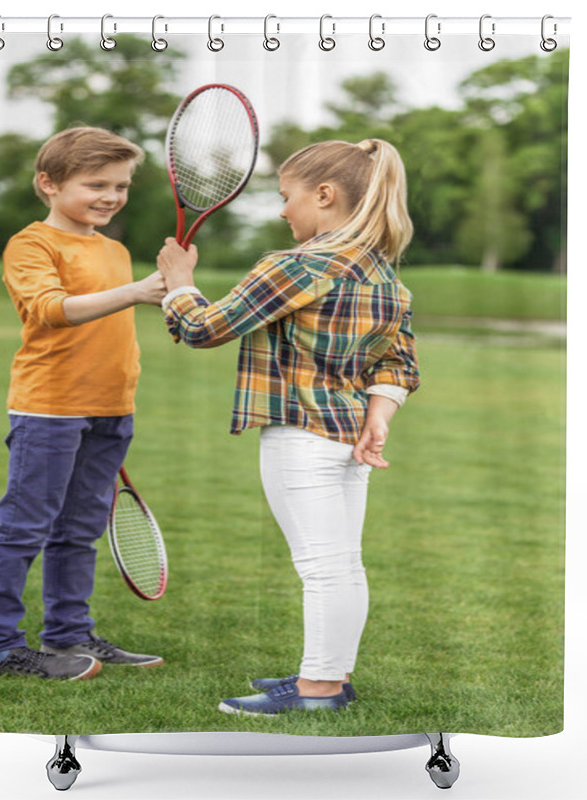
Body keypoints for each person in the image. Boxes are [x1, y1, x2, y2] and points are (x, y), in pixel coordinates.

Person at [157, 138, 421, 715]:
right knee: (343, 563)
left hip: (300, 440)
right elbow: (399, 363)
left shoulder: (294, 266)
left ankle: (319, 691)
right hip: (348, 439)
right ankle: (330, 676)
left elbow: (204, 328)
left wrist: (179, 282)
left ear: (324, 195)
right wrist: (378, 417)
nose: (283, 211)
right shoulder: (386, 277)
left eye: (287, 197)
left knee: (323, 567)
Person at [0, 126, 167, 680]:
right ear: (49, 184)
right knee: (24, 528)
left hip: (112, 408)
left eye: (121, 186)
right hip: (50, 408)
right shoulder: (31, 244)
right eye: (96, 184)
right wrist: (135, 291)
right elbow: (52, 309)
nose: (110, 196)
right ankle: (0, 647)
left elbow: (124, 317)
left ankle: (68, 636)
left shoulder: (116, 249)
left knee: (78, 531)